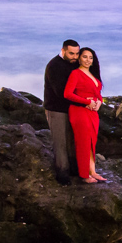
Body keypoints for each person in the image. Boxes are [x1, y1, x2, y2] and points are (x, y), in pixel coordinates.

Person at [63, 47, 106, 183]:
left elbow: (98, 92)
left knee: (92, 141)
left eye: (90, 57)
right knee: (83, 141)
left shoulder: (93, 75)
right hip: (79, 111)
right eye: (85, 57)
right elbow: (67, 94)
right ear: (79, 58)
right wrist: (86, 102)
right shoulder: (75, 73)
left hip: (92, 112)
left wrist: (100, 102)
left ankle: (92, 171)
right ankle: (84, 175)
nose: (88, 60)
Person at [43, 39, 82, 184]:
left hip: (73, 108)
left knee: (72, 141)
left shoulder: (74, 64)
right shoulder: (54, 66)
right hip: (56, 109)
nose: (75, 57)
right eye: (71, 53)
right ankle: (62, 176)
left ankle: (74, 170)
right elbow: (61, 92)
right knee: (60, 143)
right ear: (63, 50)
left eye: (77, 53)